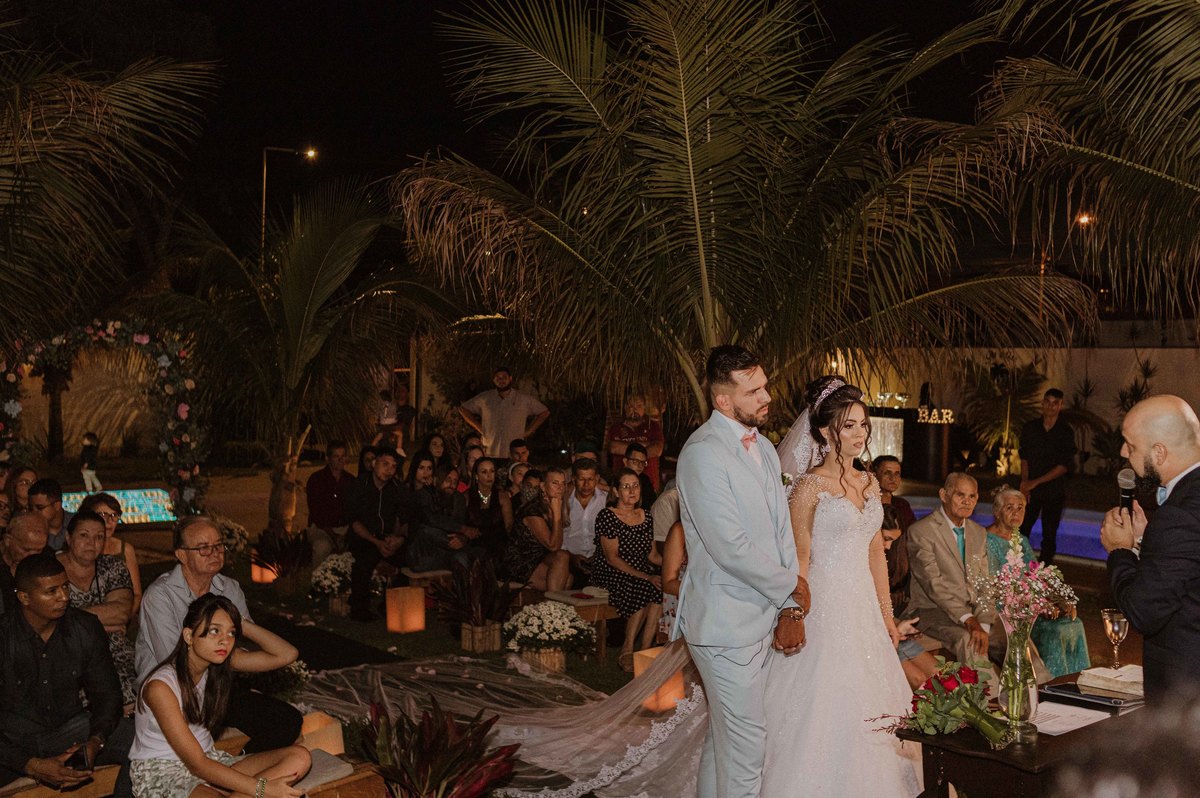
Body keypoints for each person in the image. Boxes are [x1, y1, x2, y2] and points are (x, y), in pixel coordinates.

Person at [764, 375, 919, 797]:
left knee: (872, 697)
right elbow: (799, 557)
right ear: (823, 430)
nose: (859, 433)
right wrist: (794, 611)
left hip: (863, 607)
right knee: (823, 699)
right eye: (849, 425)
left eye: (863, 424)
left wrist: (887, 616)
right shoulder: (808, 488)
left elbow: (875, 555)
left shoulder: (869, 482)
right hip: (824, 606)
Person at [674, 345, 808, 798]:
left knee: (726, 742)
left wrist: (788, 603)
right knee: (748, 749)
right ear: (723, 400)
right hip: (724, 625)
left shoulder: (764, 447)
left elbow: (781, 531)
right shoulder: (702, 454)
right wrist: (792, 584)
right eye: (753, 392)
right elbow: (729, 546)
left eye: (765, 386)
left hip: (761, 617)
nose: (766, 397)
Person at [137, 517, 303, 752]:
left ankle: (241, 764)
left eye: (218, 545)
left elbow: (242, 646)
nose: (214, 553)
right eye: (203, 548)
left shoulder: (229, 588)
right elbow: (178, 662)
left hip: (216, 686)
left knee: (287, 720)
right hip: (173, 692)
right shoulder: (161, 595)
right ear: (182, 555)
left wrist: (236, 620)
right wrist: (231, 656)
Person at [130, 594, 310, 797]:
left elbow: (287, 654)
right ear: (189, 636)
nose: (225, 641)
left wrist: (239, 622)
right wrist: (262, 789)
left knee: (299, 757)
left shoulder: (215, 665)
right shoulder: (160, 687)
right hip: (164, 774)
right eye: (215, 630)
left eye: (231, 633)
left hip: (211, 761)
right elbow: (197, 764)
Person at [0, 553, 133, 795]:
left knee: (143, 739)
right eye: (51, 591)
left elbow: (108, 695)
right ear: (24, 597)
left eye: (65, 587)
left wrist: (95, 741)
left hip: (70, 729)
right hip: (13, 739)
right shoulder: (5, 636)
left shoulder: (84, 627)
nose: (64, 597)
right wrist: (31, 765)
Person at [1100, 394, 1200, 702]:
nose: (1122, 452)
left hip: (1186, 697)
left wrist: (1120, 551)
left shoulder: (1180, 514)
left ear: (1159, 452)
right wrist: (1148, 541)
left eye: (1131, 446)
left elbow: (1143, 611)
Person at [905, 473, 1006, 674]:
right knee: (970, 641)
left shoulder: (978, 532)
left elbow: (985, 583)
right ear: (944, 495)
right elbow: (934, 585)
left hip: (974, 612)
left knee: (1016, 637)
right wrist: (970, 620)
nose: (967, 502)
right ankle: (988, 695)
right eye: (961, 495)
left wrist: (984, 622)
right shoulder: (921, 531)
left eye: (972, 496)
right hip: (933, 612)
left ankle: (1041, 689)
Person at [987, 488, 1089, 679]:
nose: (1016, 513)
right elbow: (995, 588)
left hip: (1030, 607)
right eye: (1009, 507)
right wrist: (1039, 605)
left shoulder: (1022, 540)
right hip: (1006, 613)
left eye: (1020, 508)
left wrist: (1059, 600)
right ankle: (1048, 684)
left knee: (1073, 624)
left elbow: (1037, 575)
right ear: (997, 511)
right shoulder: (987, 541)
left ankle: (1072, 682)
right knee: (1056, 630)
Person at [58, 510, 138, 704]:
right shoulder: (52, 569)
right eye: (84, 535)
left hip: (116, 653)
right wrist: (105, 624)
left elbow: (121, 612)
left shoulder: (112, 566)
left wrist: (70, 617)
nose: (91, 542)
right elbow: (51, 621)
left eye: (99, 537)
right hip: (69, 653)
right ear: (68, 537)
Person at [590, 468, 662, 671]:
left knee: (660, 587)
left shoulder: (646, 516)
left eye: (635, 486)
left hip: (640, 571)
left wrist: (676, 564)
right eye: (626, 486)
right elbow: (612, 558)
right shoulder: (607, 516)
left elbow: (652, 556)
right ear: (616, 491)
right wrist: (646, 576)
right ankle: (627, 649)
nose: (632, 491)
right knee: (644, 585)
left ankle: (645, 651)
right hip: (611, 571)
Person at [345, 450, 410, 622]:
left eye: (393, 466)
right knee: (365, 558)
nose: (389, 470)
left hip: (388, 538)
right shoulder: (359, 485)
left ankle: (390, 605)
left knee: (409, 557)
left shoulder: (398, 488)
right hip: (365, 537)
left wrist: (397, 539)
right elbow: (354, 521)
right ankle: (359, 608)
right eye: (385, 464)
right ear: (374, 463)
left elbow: (404, 519)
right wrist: (376, 542)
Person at [881, 505, 939, 690]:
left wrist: (901, 626)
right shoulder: (860, 564)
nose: (889, 546)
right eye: (886, 539)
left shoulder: (887, 558)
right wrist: (894, 628)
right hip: (877, 638)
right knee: (919, 681)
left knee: (941, 675)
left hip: (892, 631)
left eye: (894, 541)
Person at [1019, 388, 1076, 563]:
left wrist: (1035, 482)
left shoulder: (1065, 432)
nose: (1050, 407)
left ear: (1060, 406)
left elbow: (1064, 466)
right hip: (1031, 490)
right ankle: (1017, 566)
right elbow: (1024, 457)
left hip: (1053, 491)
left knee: (1049, 533)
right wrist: (1025, 483)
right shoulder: (1030, 428)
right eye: (1048, 402)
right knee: (1022, 530)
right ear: (1042, 403)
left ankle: (1044, 570)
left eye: (1055, 403)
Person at [459, 366, 550, 458]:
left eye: (504, 377)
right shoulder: (485, 398)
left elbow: (544, 412)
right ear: (494, 380)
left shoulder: (523, 399)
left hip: (514, 454)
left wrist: (529, 431)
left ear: (510, 378)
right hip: (490, 452)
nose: (501, 380)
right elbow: (463, 409)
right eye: (498, 378)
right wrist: (480, 428)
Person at [504, 468, 570, 592]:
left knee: (567, 574)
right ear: (543, 486)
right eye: (555, 483)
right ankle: (553, 602)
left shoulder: (556, 505)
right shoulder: (533, 511)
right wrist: (557, 513)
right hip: (521, 561)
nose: (560, 488)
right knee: (562, 559)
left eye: (563, 483)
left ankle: (551, 602)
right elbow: (553, 546)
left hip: (540, 557)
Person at [408, 464, 485, 571]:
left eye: (455, 482)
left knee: (463, 557)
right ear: (436, 480)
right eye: (447, 480)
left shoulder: (458, 498)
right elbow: (431, 520)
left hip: (449, 552)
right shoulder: (424, 495)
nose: (451, 484)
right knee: (426, 530)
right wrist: (463, 529)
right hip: (424, 552)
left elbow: (461, 524)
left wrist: (463, 538)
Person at [79, 493, 144, 616]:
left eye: (114, 515)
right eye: (103, 515)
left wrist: (123, 618)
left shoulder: (125, 549)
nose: (109, 521)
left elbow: (136, 594)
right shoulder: (79, 549)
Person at [305, 441, 355, 568]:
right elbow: (316, 513)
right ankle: (318, 578)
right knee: (322, 547)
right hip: (321, 528)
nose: (341, 460)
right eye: (336, 456)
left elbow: (354, 511)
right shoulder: (316, 480)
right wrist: (334, 536)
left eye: (343, 456)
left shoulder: (350, 480)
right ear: (328, 459)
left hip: (344, 528)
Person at [607, 394, 665, 489]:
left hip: (649, 484)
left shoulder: (653, 426)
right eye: (631, 406)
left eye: (639, 406)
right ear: (625, 407)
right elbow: (614, 448)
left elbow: (657, 450)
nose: (635, 409)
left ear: (644, 408)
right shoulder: (616, 427)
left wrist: (628, 450)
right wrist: (645, 445)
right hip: (622, 484)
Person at [0, 511, 51, 614]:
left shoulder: (48, 557)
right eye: (26, 550)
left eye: (39, 550)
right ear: (8, 540)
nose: (32, 556)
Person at [465, 457, 512, 563]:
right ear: (476, 476)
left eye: (492, 471)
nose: (489, 475)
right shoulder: (467, 497)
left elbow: (509, 526)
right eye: (484, 472)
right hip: (475, 545)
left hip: (498, 545)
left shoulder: (502, 497)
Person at [564, 457, 607, 564]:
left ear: (597, 479)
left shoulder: (606, 501)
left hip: (601, 560)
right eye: (581, 479)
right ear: (573, 479)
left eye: (590, 479)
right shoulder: (564, 501)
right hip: (568, 560)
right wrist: (571, 557)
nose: (586, 485)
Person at [28, 478, 72, 551]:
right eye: (31, 508)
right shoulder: (28, 528)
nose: (34, 512)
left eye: (39, 507)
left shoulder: (76, 523)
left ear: (57, 506)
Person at [623, 443, 657, 510]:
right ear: (625, 461)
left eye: (643, 462)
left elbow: (653, 503)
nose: (640, 466)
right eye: (636, 461)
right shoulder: (616, 479)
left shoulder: (645, 480)